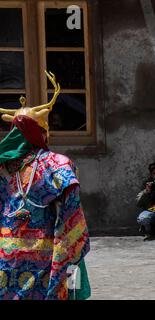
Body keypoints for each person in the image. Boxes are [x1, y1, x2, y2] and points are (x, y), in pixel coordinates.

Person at [0, 72, 90, 300]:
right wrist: (72, 249)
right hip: (45, 258)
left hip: (6, 258)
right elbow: (72, 216)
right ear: (42, 134)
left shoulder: (2, 169)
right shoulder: (57, 164)